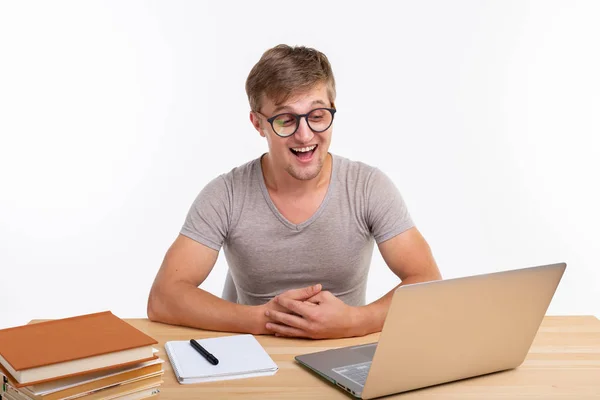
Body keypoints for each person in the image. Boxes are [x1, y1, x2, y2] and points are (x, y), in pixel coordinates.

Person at [147, 44, 442, 339]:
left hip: (343, 355)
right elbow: (164, 298)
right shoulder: (225, 194)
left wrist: (356, 321)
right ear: (258, 123)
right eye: (286, 119)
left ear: (333, 109)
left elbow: (428, 280)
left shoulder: (368, 187)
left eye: (317, 115)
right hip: (254, 359)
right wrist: (266, 319)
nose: (304, 135)